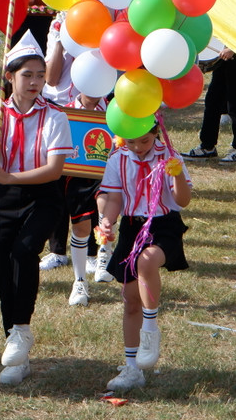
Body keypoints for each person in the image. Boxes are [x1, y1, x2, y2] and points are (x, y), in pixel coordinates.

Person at [0, 31, 73, 385]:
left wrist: (9, 175)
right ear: (10, 77)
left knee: (25, 251)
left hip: (43, 197)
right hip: (5, 200)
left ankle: (22, 328)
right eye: (26, 75)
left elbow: (53, 170)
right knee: (3, 270)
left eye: (40, 74)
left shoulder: (55, 117)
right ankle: (14, 345)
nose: (34, 82)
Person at [95, 113, 192, 393]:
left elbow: (182, 201)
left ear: (156, 132)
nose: (139, 147)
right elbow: (113, 198)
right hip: (131, 227)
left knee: (147, 261)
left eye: (145, 140)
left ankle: (151, 330)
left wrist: (177, 176)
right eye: (133, 141)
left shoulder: (170, 157)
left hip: (163, 226)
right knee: (130, 301)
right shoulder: (118, 159)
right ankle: (132, 367)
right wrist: (107, 221)